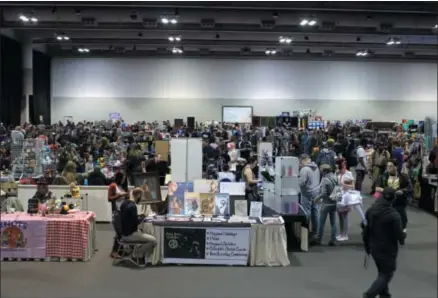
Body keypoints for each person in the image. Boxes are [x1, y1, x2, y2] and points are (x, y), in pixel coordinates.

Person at [362, 187, 405, 298]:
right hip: (388, 249)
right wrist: (403, 237)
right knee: (387, 274)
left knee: (382, 271)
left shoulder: (371, 210)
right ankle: (369, 294)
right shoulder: (394, 215)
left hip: (373, 247)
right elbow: (399, 235)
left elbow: (365, 227)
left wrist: (367, 245)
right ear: (393, 199)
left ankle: (385, 295)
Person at [120, 187, 157, 265]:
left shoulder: (124, 203)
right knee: (153, 241)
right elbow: (135, 223)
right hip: (130, 235)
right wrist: (144, 216)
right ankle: (138, 255)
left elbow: (130, 219)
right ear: (139, 195)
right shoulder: (133, 206)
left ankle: (137, 253)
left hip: (124, 233)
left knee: (142, 232)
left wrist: (141, 216)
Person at [376, 159, 411, 235]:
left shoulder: (403, 176)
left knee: (402, 220)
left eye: (391, 166)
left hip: (399, 202)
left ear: (396, 167)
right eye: (387, 166)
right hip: (386, 203)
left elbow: (409, 188)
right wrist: (384, 190)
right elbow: (377, 188)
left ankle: (401, 232)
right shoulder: (383, 176)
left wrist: (402, 191)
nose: (388, 168)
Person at [315, 164, 337, 246]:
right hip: (334, 202)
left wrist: (316, 198)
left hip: (326, 203)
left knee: (321, 222)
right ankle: (333, 239)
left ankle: (319, 239)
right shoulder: (335, 177)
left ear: (324, 171)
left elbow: (323, 193)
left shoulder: (325, 180)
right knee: (333, 222)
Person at [108, 172, 129, 259]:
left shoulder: (122, 186)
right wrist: (119, 195)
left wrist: (127, 195)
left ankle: (120, 250)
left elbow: (126, 198)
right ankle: (114, 251)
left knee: (121, 232)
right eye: (122, 178)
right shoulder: (113, 186)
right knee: (119, 232)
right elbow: (109, 198)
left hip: (123, 211)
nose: (124, 180)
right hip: (116, 211)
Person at [298, 154, 320, 236]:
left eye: (300, 161)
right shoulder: (316, 167)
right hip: (316, 191)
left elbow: (301, 182)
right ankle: (315, 231)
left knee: (306, 212)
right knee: (315, 211)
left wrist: (296, 179)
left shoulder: (304, 169)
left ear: (303, 160)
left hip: (307, 193)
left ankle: (305, 231)